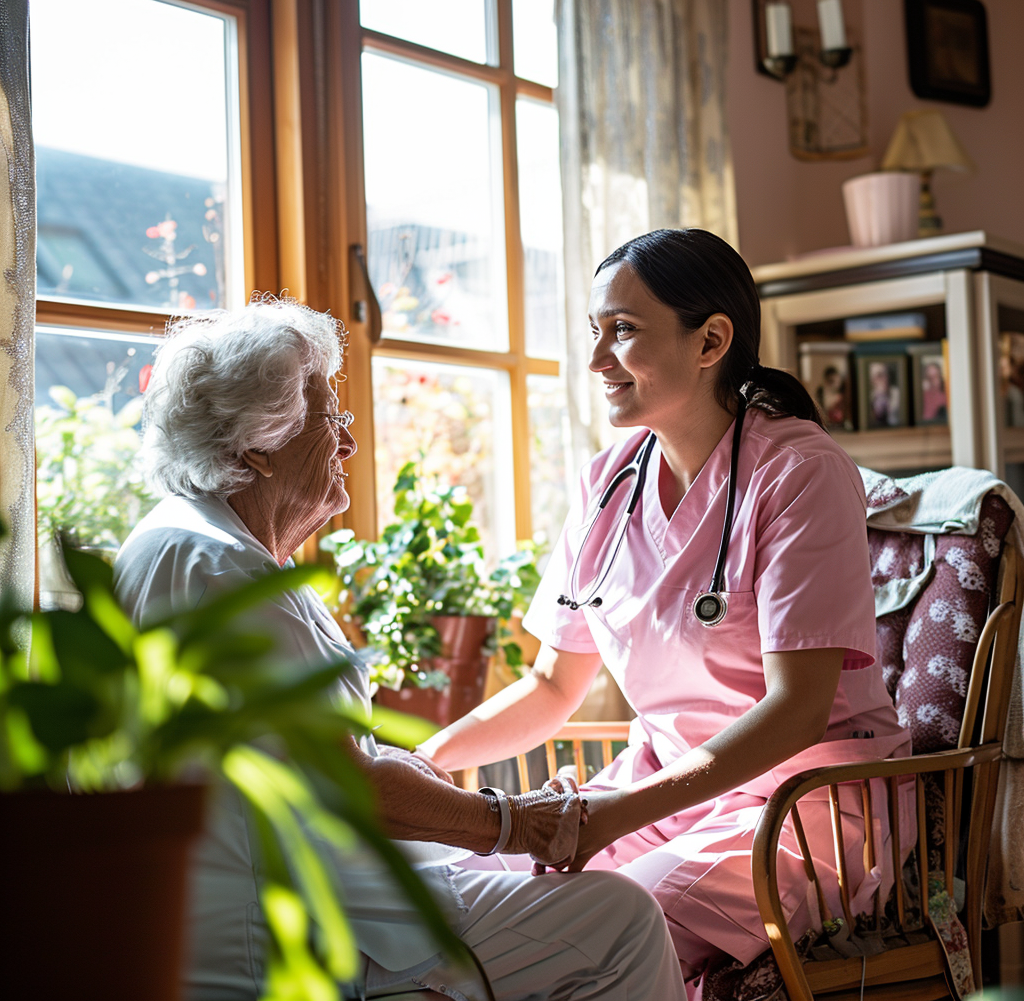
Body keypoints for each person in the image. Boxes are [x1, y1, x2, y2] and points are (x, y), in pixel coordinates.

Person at [113, 297, 686, 1001]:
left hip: (260, 895)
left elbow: (309, 758)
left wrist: (440, 782)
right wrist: (516, 822)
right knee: (621, 918)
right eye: (333, 421)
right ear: (257, 444)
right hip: (282, 934)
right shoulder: (223, 571)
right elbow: (343, 783)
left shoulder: (186, 544)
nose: (349, 445)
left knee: (533, 883)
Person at [419, 229, 912, 996]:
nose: (595, 362)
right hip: (656, 787)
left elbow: (796, 712)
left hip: (799, 805)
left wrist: (610, 818)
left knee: (608, 922)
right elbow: (553, 686)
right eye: (595, 333)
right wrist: (423, 766)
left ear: (712, 339)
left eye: (622, 332)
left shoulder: (800, 474)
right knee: (473, 898)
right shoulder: (605, 483)